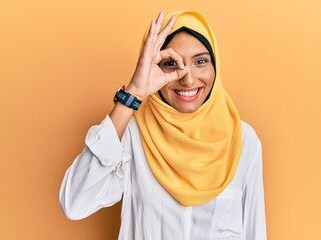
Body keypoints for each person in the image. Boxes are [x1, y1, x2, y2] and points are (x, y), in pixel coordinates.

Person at [59, 10, 267, 240]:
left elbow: (255, 232)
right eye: (171, 63)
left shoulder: (243, 140)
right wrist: (134, 92)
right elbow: (74, 203)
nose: (187, 79)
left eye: (200, 61)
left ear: (215, 67)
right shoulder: (133, 136)